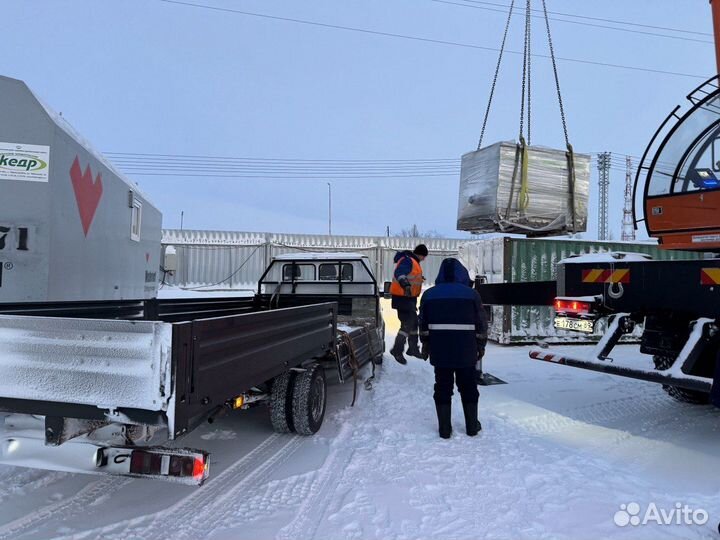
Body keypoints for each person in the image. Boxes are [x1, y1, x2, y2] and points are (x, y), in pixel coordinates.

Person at [419, 257, 487, 439]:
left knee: (442, 387)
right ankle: (472, 426)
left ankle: (444, 429)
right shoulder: (472, 295)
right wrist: (480, 345)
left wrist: (425, 344)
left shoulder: (429, 295)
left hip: (440, 350)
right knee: (468, 386)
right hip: (466, 350)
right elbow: (481, 323)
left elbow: (423, 324)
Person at [389, 244, 428, 365]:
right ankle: (397, 350)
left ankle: (413, 348)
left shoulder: (413, 261)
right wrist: (405, 284)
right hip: (402, 297)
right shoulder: (408, 260)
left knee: (413, 322)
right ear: (420, 254)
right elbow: (400, 273)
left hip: (409, 298)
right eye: (424, 256)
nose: (424, 259)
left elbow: (411, 276)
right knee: (408, 323)